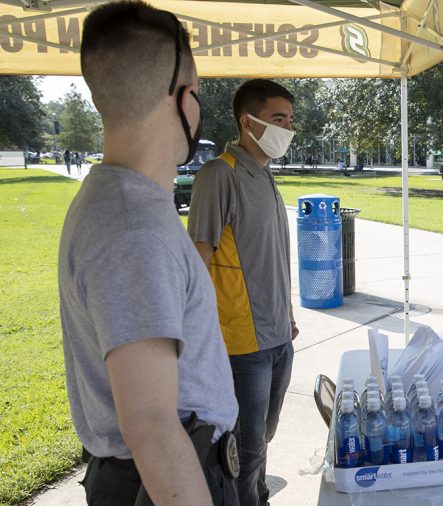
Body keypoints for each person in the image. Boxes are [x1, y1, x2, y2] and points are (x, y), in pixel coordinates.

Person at [58, 2, 239, 505]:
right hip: (168, 482)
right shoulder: (134, 230)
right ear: (183, 101)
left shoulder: (123, 202)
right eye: (198, 94)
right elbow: (153, 430)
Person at [188, 78, 298, 506]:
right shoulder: (220, 175)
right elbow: (198, 258)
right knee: (244, 448)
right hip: (240, 342)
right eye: (277, 118)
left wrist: (286, 313)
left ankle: (256, 495)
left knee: (262, 438)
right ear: (247, 122)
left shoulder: (266, 176)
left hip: (277, 334)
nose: (286, 128)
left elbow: (271, 257)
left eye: (290, 119)